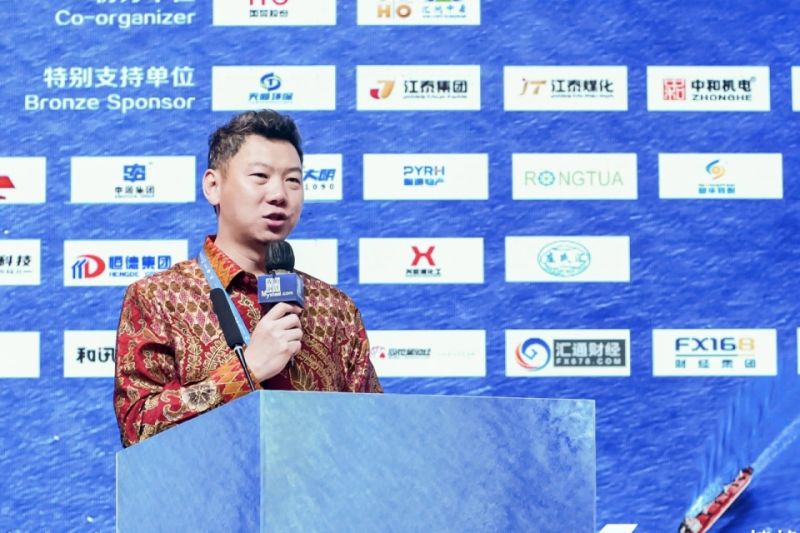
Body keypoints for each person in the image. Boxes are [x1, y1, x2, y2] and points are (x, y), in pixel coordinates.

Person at [114, 110, 383, 448]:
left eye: (293, 180)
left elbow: (373, 434)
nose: (279, 194)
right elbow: (137, 429)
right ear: (213, 186)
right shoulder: (158, 298)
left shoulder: (336, 309)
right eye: (260, 176)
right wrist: (246, 371)